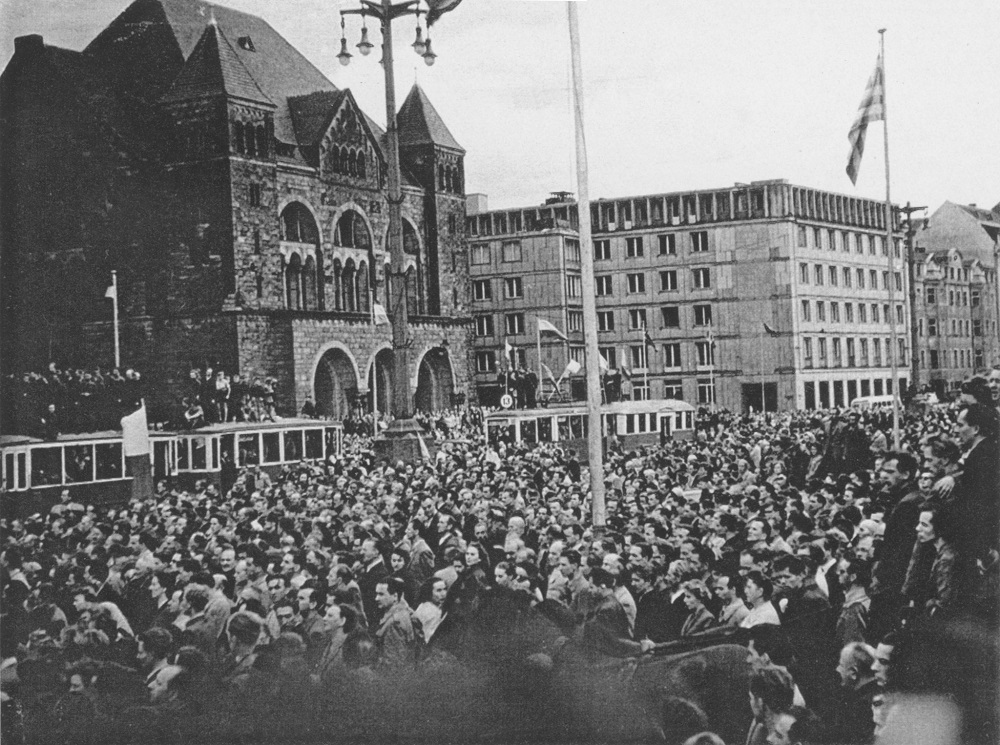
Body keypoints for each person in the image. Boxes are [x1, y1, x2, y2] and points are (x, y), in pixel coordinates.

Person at [830, 641, 878, 743]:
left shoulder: (858, 707)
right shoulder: (882, 696)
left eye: (841, 665)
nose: (837, 669)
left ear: (853, 673)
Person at [373, 578, 416, 670]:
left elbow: (394, 663)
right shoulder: (404, 611)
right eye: (376, 594)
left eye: (381, 594)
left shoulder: (394, 623)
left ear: (395, 596)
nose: (376, 598)